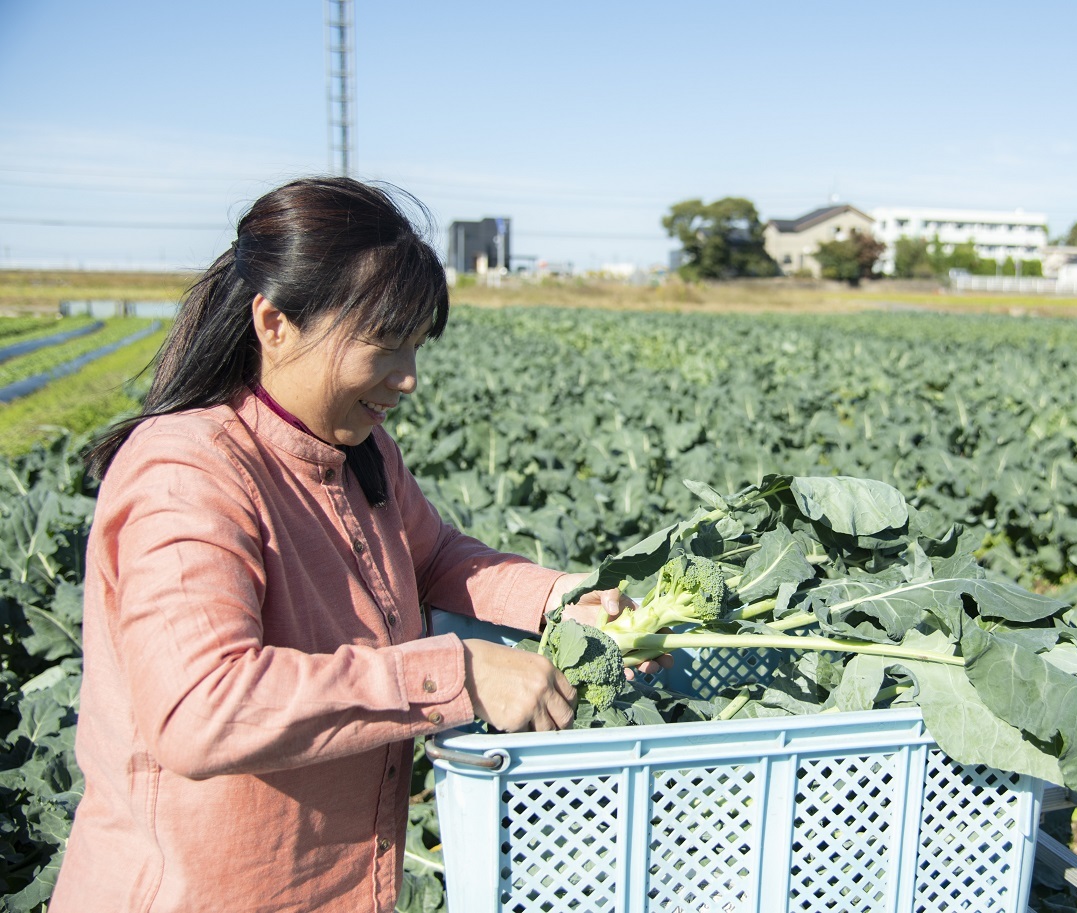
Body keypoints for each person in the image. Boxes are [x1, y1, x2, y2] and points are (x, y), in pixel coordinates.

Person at [51, 176, 639, 912]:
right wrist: (454, 673)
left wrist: (562, 599)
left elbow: (435, 557)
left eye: (416, 346)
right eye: (385, 344)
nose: (409, 378)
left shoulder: (359, 450)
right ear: (275, 323)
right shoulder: (187, 470)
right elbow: (200, 709)